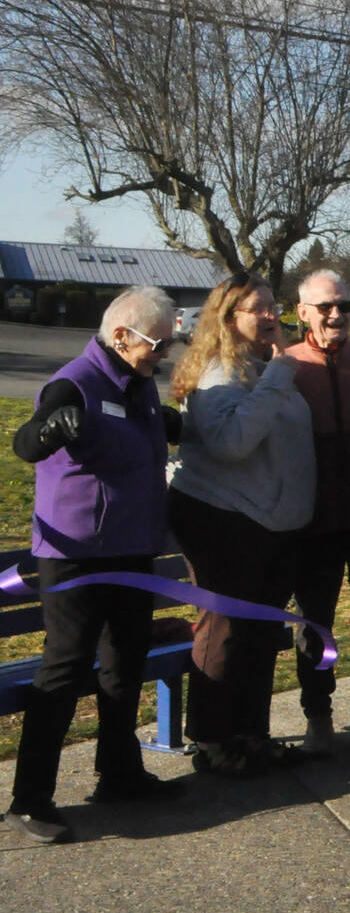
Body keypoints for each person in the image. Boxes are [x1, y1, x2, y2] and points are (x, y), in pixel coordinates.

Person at [6, 287, 183, 844]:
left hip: (132, 552)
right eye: (159, 343)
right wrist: (51, 430)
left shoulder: (140, 385)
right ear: (122, 336)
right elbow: (25, 442)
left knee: (125, 665)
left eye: (170, 343)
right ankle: (30, 800)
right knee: (65, 669)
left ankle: (120, 774)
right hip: (76, 558)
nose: (165, 353)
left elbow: (156, 433)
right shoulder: (73, 381)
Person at [168, 274, 316, 776]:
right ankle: (210, 742)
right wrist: (279, 377)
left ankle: (250, 733)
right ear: (230, 319)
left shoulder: (263, 367)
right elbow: (232, 443)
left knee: (261, 630)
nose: (273, 316)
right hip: (223, 519)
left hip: (270, 522)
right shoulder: (220, 375)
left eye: (275, 306)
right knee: (226, 627)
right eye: (260, 308)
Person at [283, 269, 350, 756]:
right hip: (311, 519)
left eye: (345, 305)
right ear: (302, 313)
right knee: (315, 624)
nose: (336, 315)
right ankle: (318, 716)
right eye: (325, 307)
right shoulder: (286, 365)